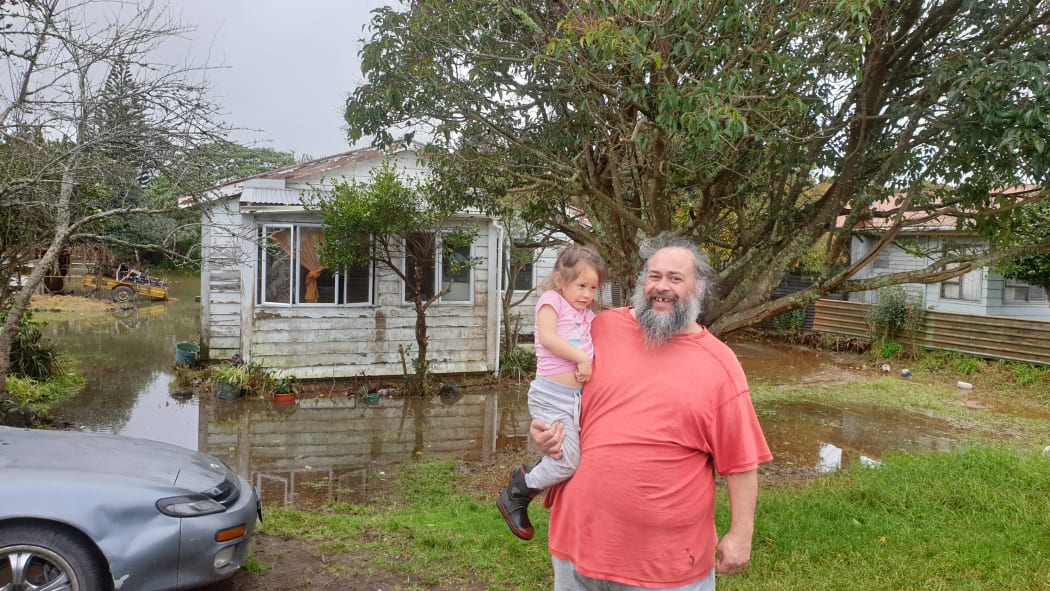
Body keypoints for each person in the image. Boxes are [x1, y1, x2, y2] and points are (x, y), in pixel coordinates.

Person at [531, 233, 772, 591]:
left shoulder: (720, 364)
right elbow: (558, 390)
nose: (662, 287)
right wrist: (545, 431)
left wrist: (741, 534)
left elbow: (741, 463)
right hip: (576, 547)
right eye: (654, 276)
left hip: (665, 566)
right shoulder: (600, 328)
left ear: (698, 287)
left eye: (676, 278)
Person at [497, 244, 607, 541]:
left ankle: (532, 478)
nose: (587, 294)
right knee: (568, 461)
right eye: (581, 285)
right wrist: (582, 359)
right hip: (551, 395)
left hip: (574, 399)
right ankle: (519, 490)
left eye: (593, 288)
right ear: (560, 281)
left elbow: (607, 329)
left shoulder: (587, 313)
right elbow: (547, 338)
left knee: (575, 458)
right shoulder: (552, 301)